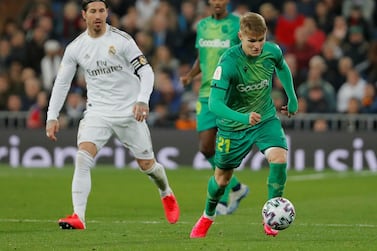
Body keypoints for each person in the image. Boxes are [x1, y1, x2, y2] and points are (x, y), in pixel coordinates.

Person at [45, 0, 179, 230]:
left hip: (129, 112)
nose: (98, 15)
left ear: (107, 13)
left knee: (147, 165)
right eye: (93, 11)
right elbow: (62, 83)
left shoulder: (122, 40)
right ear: (84, 15)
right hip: (98, 111)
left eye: (102, 11)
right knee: (82, 156)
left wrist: (142, 100)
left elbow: (146, 70)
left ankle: (166, 192)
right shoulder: (76, 48)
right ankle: (78, 216)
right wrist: (52, 116)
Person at [189, 12, 298, 238]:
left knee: (278, 159)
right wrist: (243, 118)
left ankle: (270, 218)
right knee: (221, 180)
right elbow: (214, 103)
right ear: (240, 36)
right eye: (252, 41)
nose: (257, 46)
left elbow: (283, 68)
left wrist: (292, 97)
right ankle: (208, 215)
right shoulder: (228, 62)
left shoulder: (272, 51)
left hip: (265, 118)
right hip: (233, 126)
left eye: (261, 40)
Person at [180, 0, 249, 215]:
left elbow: (248, 54)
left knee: (224, 147)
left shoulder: (239, 24)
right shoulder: (202, 26)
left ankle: (228, 191)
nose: (218, 3)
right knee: (207, 148)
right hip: (206, 94)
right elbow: (202, 58)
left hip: (229, 93)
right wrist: (191, 76)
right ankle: (236, 187)